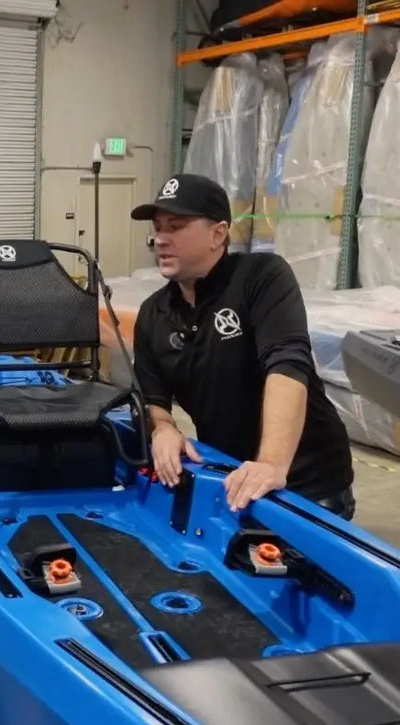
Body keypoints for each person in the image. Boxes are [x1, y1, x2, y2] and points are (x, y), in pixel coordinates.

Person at [128, 172, 356, 519]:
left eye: (175, 226)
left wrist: (271, 464)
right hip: (232, 476)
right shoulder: (153, 315)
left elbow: (286, 366)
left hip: (305, 482)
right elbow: (155, 401)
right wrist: (163, 430)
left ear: (218, 234)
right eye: (158, 228)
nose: (161, 239)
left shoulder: (261, 278)